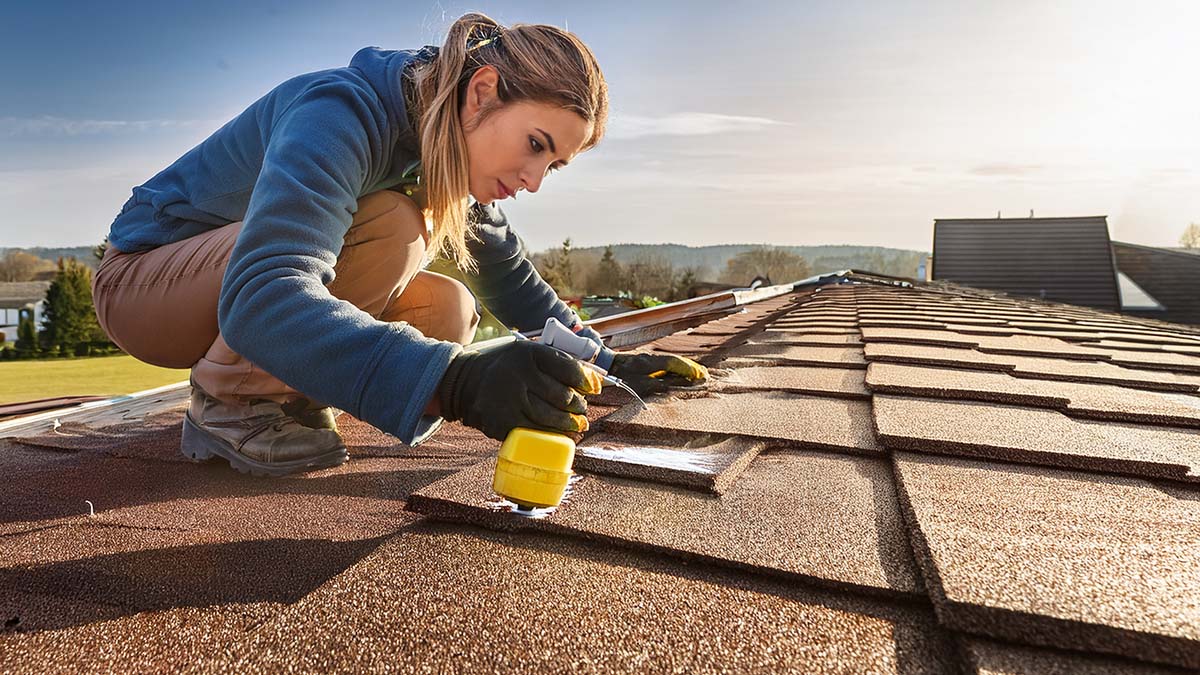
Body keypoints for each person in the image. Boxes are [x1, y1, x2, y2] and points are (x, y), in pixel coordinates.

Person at [92, 12, 708, 478]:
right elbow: (264, 295)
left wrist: (607, 364)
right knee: (394, 224)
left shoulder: (447, 148)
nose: (533, 180)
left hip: (225, 291)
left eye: (556, 165)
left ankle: (285, 395)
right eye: (536, 145)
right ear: (483, 91)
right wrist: (455, 384)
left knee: (449, 309)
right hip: (144, 286)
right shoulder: (340, 112)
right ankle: (227, 402)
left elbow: (511, 280)